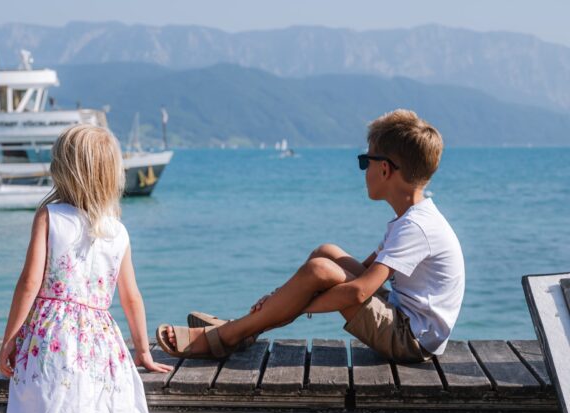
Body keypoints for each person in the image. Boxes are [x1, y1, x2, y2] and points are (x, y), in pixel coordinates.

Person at [157, 109, 465, 364]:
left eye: (365, 162)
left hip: (411, 341)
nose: (363, 170)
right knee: (326, 252)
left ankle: (228, 334)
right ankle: (245, 330)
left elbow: (359, 292)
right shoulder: (412, 219)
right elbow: (365, 271)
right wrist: (286, 298)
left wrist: (293, 303)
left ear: (384, 170)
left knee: (320, 270)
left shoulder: (415, 227)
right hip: (405, 320)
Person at [0, 124, 171, 413]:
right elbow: (131, 298)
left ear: (64, 169)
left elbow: (29, 283)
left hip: (60, 347)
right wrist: (142, 351)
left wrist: (10, 339)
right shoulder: (117, 230)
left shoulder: (50, 216)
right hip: (102, 348)